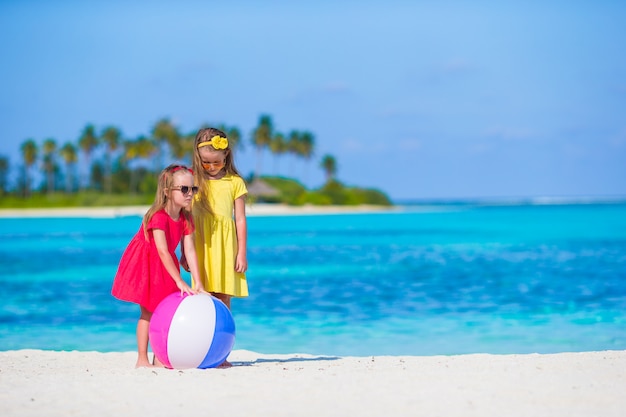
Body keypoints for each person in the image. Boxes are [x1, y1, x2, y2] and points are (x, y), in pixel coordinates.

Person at [111, 164, 205, 368]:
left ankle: (160, 357)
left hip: (166, 264)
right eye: (184, 189)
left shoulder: (186, 217)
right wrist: (179, 280)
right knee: (148, 312)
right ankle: (142, 359)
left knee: (167, 311)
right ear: (167, 192)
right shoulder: (159, 216)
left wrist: (197, 281)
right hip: (146, 263)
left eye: (193, 189)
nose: (190, 194)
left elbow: (189, 251)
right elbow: (161, 250)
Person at [189, 127, 249, 312]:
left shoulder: (235, 182)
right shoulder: (193, 181)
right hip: (200, 245)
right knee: (201, 295)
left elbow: (240, 219)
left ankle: (224, 337)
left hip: (225, 247)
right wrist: (184, 253)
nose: (212, 167)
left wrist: (241, 253)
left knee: (223, 296)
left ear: (226, 156)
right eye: (206, 162)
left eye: (216, 162)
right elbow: (186, 220)